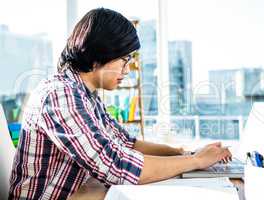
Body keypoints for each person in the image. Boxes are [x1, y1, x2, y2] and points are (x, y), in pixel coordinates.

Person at [8, 8, 231, 200]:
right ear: (99, 53)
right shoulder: (61, 95)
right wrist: (195, 160)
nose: (128, 69)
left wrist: (184, 152)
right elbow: (118, 167)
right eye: (125, 59)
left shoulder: (85, 95)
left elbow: (126, 143)